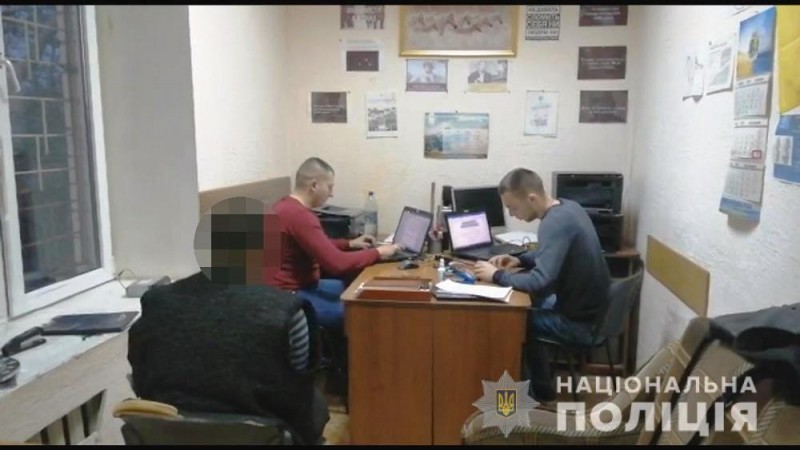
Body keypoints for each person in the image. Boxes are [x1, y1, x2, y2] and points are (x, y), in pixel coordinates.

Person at [128, 196, 329, 445]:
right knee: (317, 404)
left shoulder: (155, 303)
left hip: (170, 436)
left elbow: (140, 377)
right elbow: (298, 390)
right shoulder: (287, 312)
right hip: (264, 436)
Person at [472, 168, 611, 403]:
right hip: (592, 313)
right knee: (528, 308)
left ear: (532, 199)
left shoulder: (553, 223)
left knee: (516, 322)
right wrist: (520, 259)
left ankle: (537, 399)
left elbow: (538, 281)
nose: (512, 214)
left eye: (513, 208)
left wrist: (496, 275)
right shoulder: (568, 207)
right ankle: (542, 390)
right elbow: (553, 252)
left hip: (580, 324)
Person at [269, 157, 400, 393]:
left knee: (346, 287)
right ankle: (348, 379)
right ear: (314, 185)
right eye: (330, 187)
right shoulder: (299, 216)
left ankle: (340, 362)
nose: (332, 193)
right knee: (356, 309)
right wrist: (379, 252)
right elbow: (337, 264)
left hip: (297, 286)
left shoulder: (287, 207)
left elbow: (318, 245)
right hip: (289, 296)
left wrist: (350, 244)